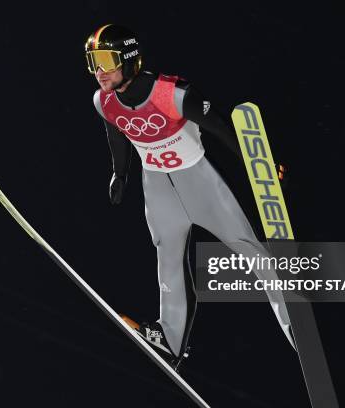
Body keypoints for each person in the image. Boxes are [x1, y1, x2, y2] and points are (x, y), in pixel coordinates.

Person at [85, 24, 295, 370]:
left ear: (129, 59)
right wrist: (119, 174)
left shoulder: (174, 94)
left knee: (248, 248)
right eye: (92, 62)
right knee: (168, 260)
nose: (99, 71)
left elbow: (223, 128)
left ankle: (293, 326)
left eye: (106, 60)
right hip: (156, 185)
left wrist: (261, 165)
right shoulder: (103, 101)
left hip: (198, 182)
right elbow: (117, 135)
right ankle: (170, 342)